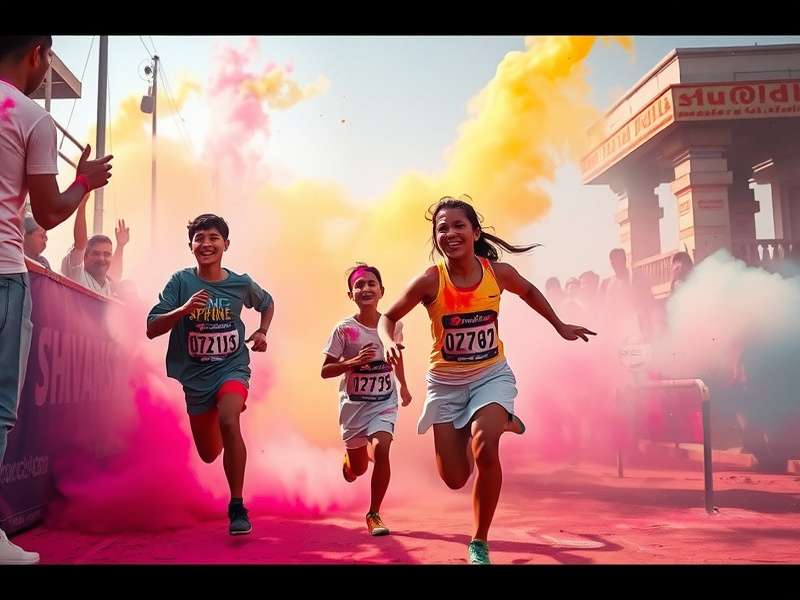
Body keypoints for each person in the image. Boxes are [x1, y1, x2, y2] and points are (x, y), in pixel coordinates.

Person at [377, 195, 595, 564]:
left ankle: (479, 540)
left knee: (485, 446)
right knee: (455, 478)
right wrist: (387, 342)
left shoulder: (497, 273)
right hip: (445, 385)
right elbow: (389, 317)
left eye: (459, 226)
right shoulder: (431, 280)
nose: (450, 233)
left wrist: (560, 325)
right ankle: (500, 421)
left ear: (475, 232)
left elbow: (528, 291)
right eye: (442, 229)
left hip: (490, 376)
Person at [1, 35, 112, 564]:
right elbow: (46, 213)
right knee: (1, 409)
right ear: (39, 53)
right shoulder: (30, 117)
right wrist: (83, 183)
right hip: (3, 275)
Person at [146, 214, 274, 536]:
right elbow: (151, 328)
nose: (206, 244)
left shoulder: (240, 283)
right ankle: (219, 422)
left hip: (232, 367)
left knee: (230, 419)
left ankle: (237, 506)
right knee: (207, 454)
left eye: (213, 237)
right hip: (196, 377)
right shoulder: (180, 282)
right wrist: (183, 310)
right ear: (190, 246)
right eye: (199, 238)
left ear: (226, 245)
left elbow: (267, 303)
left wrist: (262, 332)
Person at [321, 264, 412, 536]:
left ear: (382, 291)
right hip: (353, 408)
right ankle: (351, 462)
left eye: (371, 284)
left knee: (383, 448)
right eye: (359, 285)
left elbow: (397, 357)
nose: (366, 289)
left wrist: (404, 385)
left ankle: (374, 514)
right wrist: (352, 362)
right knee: (359, 468)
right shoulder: (344, 330)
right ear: (351, 294)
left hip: (384, 403)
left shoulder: (393, 326)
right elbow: (325, 370)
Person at [61, 195, 128, 297]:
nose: (102, 259)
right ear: (85, 256)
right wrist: (82, 206)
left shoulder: (108, 285)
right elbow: (80, 244)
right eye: (96, 253)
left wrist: (120, 246)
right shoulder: (76, 275)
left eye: (107, 254)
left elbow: (115, 273)